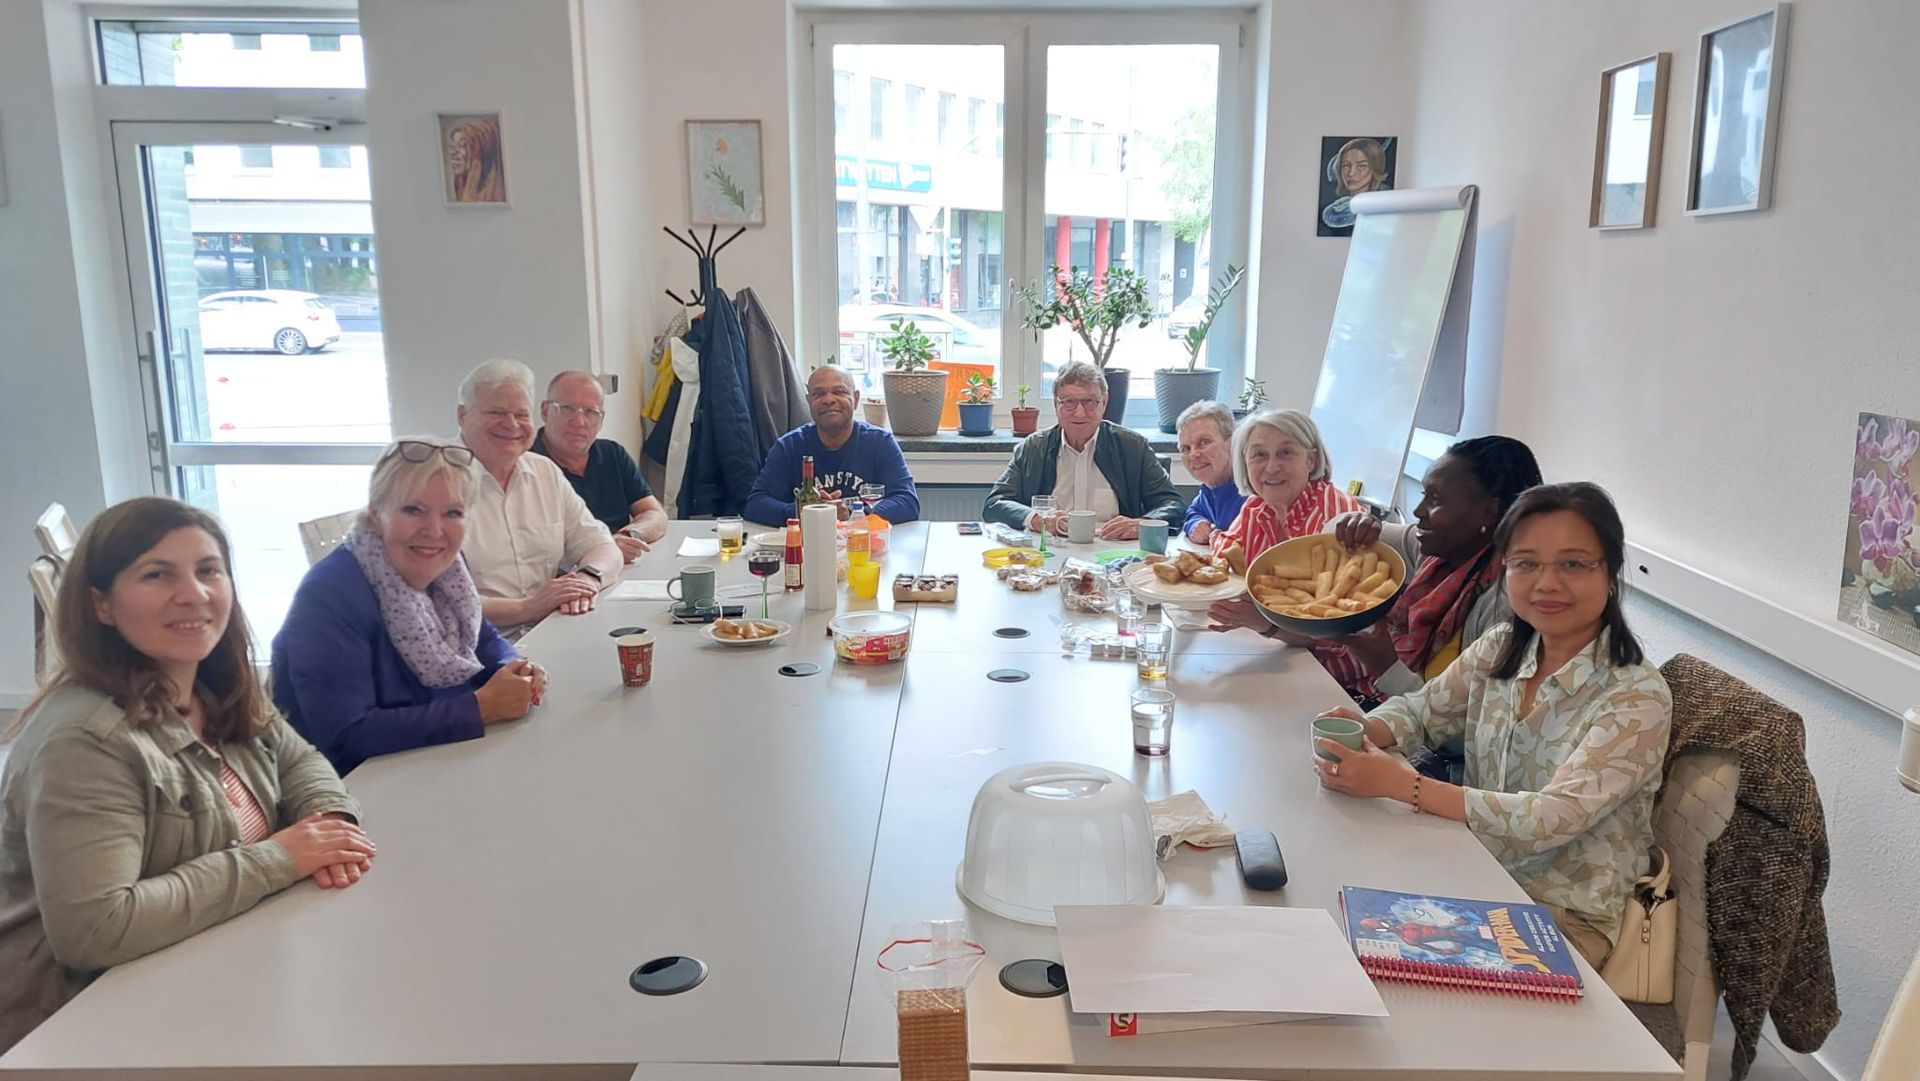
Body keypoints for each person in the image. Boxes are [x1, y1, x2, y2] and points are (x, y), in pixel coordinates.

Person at [0, 498, 376, 1053]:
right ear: (100, 605)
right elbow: (97, 929)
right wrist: (283, 857)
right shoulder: (84, 742)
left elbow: (298, 759)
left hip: (205, 971)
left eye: (208, 571)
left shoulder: (207, 681)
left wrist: (325, 821)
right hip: (83, 1027)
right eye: (157, 574)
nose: (194, 594)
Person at [1312, 482, 1672, 966]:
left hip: (1558, 917)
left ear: (1610, 572)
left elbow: (1549, 818)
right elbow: (1422, 710)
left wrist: (1405, 787)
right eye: (1525, 563)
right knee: (1324, 910)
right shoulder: (1505, 645)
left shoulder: (1636, 696)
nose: (1546, 583)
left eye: (1572, 564)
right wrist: (1362, 732)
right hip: (1471, 868)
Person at [272, 439, 548, 775]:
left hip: (436, 762)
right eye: (413, 510)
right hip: (356, 791)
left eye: (453, 513)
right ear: (376, 516)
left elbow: (482, 635)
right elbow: (344, 735)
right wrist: (480, 708)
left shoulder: (446, 565)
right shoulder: (329, 596)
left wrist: (515, 666)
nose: (434, 531)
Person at [1314, 436, 1544, 708]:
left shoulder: (1504, 605)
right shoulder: (1433, 550)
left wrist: (1387, 666)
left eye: (1435, 499)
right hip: (1392, 715)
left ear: (1489, 512)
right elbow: (1331, 531)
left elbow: (1465, 733)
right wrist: (1358, 522)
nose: (1418, 510)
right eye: (1424, 494)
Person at [456, 359, 622, 635]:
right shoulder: (432, 482)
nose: (511, 425)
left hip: (550, 632)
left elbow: (602, 546)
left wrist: (587, 580)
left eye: (521, 414)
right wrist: (528, 608)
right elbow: (432, 600)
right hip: (472, 653)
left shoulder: (544, 471)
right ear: (463, 416)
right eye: (496, 412)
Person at [983, 360, 1184, 539]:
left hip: (1114, 552)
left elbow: (1172, 505)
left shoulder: (1132, 446)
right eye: (1069, 402)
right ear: (1056, 405)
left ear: (1104, 403)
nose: (1079, 412)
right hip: (1051, 550)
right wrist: (1036, 519)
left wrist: (1142, 524)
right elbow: (995, 504)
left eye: (1089, 402)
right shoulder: (1034, 448)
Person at [1206, 408, 1363, 634]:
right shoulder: (1256, 507)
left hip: (1326, 662)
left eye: (1285, 453)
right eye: (1259, 455)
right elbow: (1226, 553)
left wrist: (1267, 626)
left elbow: (1341, 630)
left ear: (1311, 460)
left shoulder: (1335, 518)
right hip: (1270, 647)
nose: (1271, 467)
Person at [744, 364, 920, 524]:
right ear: (808, 402)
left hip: (864, 548)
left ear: (856, 398)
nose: (828, 400)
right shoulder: (789, 447)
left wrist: (853, 513)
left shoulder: (880, 443)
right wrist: (808, 511)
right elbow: (756, 505)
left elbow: (907, 502)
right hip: (806, 547)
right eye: (819, 394)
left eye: (839, 392)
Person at [532, 370, 669, 563]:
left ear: (601, 419)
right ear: (545, 411)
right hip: (566, 579)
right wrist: (606, 548)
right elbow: (533, 548)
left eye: (591, 412)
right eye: (568, 409)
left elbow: (655, 514)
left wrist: (630, 536)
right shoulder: (527, 465)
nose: (579, 422)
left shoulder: (612, 453)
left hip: (620, 572)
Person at [1175, 400, 1245, 544]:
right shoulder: (1209, 488)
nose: (1194, 454)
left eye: (1204, 442)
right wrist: (1195, 523)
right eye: (1185, 449)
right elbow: (1193, 512)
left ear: (1233, 442)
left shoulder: (1252, 489)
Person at [1321, 137, 1392, 231]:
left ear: (1375, 168)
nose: (1351, 173)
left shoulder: (1383, 207)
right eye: (1346, 166)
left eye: (1361, 166)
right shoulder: (1338, 209)